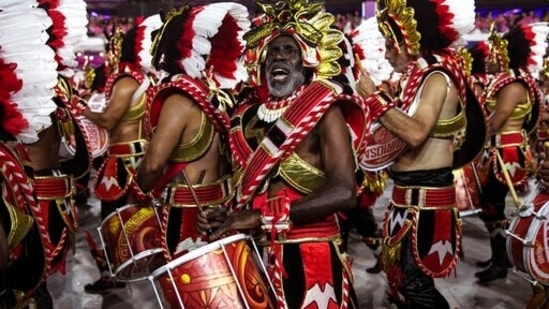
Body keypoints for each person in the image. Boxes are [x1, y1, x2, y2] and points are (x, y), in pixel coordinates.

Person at [197, 1, 369, 307]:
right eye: (272, 51)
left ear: (306, 63)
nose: (278, 55)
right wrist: (228, 215)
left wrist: (257, 217)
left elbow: (345, 192)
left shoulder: (325, 112)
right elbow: (250, 189)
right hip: (258, 258)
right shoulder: (248, 117)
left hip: (310, 256)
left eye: (290, 50)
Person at [356, 0, 482, 307]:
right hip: (407, 197)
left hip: (426, 197)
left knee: (415, 286)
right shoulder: (415, 79)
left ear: (408, 43)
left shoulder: (436, 78)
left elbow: (415, 132)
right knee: (402, 283)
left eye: (390, 45)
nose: (386, 54)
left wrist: (374, 99)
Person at [130, 2, 250, 263]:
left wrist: (135, 196)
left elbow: (152, 165)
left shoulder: (179, 100)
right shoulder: (220, 96)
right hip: (221, 208)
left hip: (186, 216)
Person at [76, 19, 159, 292]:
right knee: (126, 214)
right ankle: (128, 264)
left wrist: (78, 108)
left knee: (113, 217)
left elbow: (110, 121)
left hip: (124, 158)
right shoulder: (137, 79)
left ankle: (116, 271)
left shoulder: (125, 81)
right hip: (133, 155)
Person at [474, 22, 545, 282]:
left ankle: (502, 260)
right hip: (502, 150)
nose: (490, 57)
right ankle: (499, 257)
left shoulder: (513, 84)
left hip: (507, 153)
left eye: (494, 52)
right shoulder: (510, 81)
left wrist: (472, 143)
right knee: (491, 205)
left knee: (492, 206)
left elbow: (495, 121)